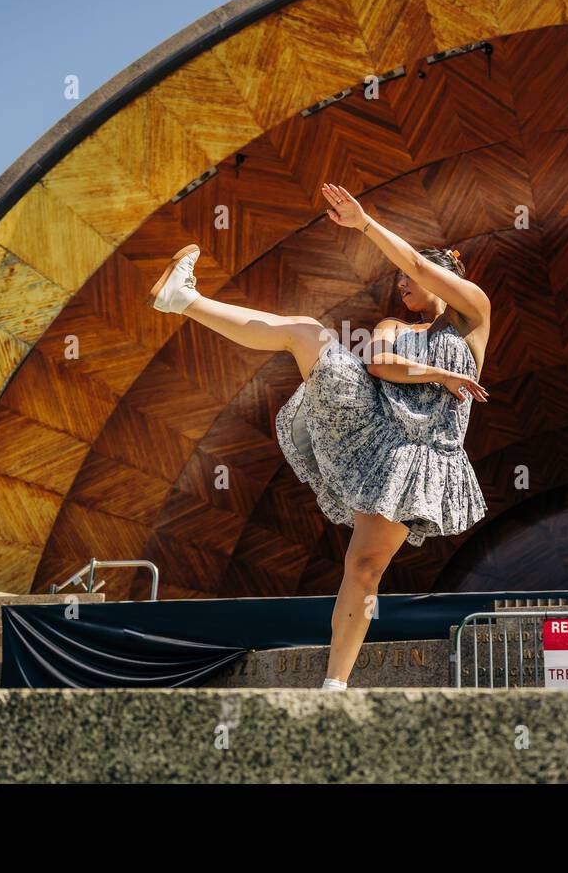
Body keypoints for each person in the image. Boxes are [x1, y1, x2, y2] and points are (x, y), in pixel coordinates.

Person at [149, 182, 490, 689]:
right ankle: (185, 299)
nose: (401, 286)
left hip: (423, 456)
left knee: (365, 567)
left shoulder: (474, 317)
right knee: (306, 331)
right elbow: (378, 364)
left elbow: (419, 266)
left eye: (407, 279)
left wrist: (364, 223)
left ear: (446, 280)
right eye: (397, 281)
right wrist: (440, 376)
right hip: (374, 422)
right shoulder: (396, 325)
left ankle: (335, 686)